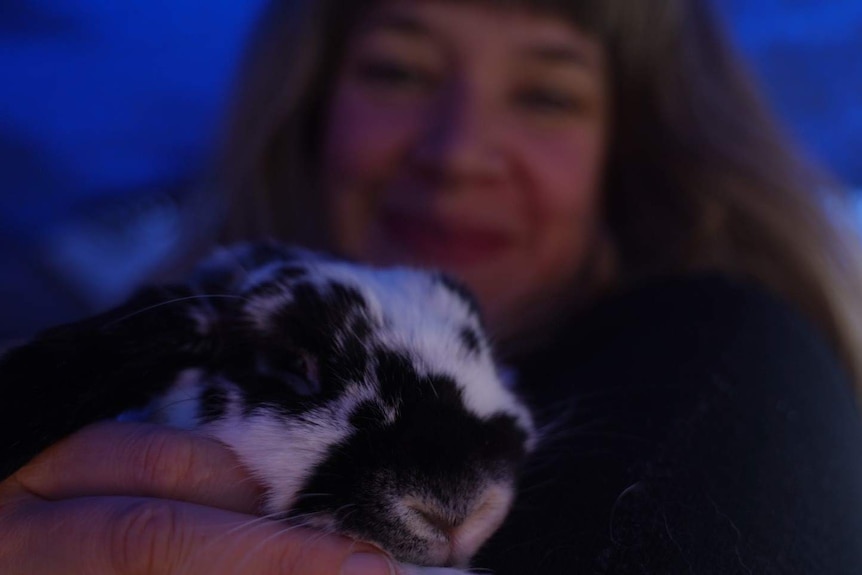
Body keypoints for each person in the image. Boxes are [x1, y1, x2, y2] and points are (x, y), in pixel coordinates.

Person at [3, 0, 862, 573]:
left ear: (626, 155)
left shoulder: (722, 361)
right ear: (308, 113)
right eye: (398, 72)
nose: (455, 151)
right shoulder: (183, 321)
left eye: (545, 93)